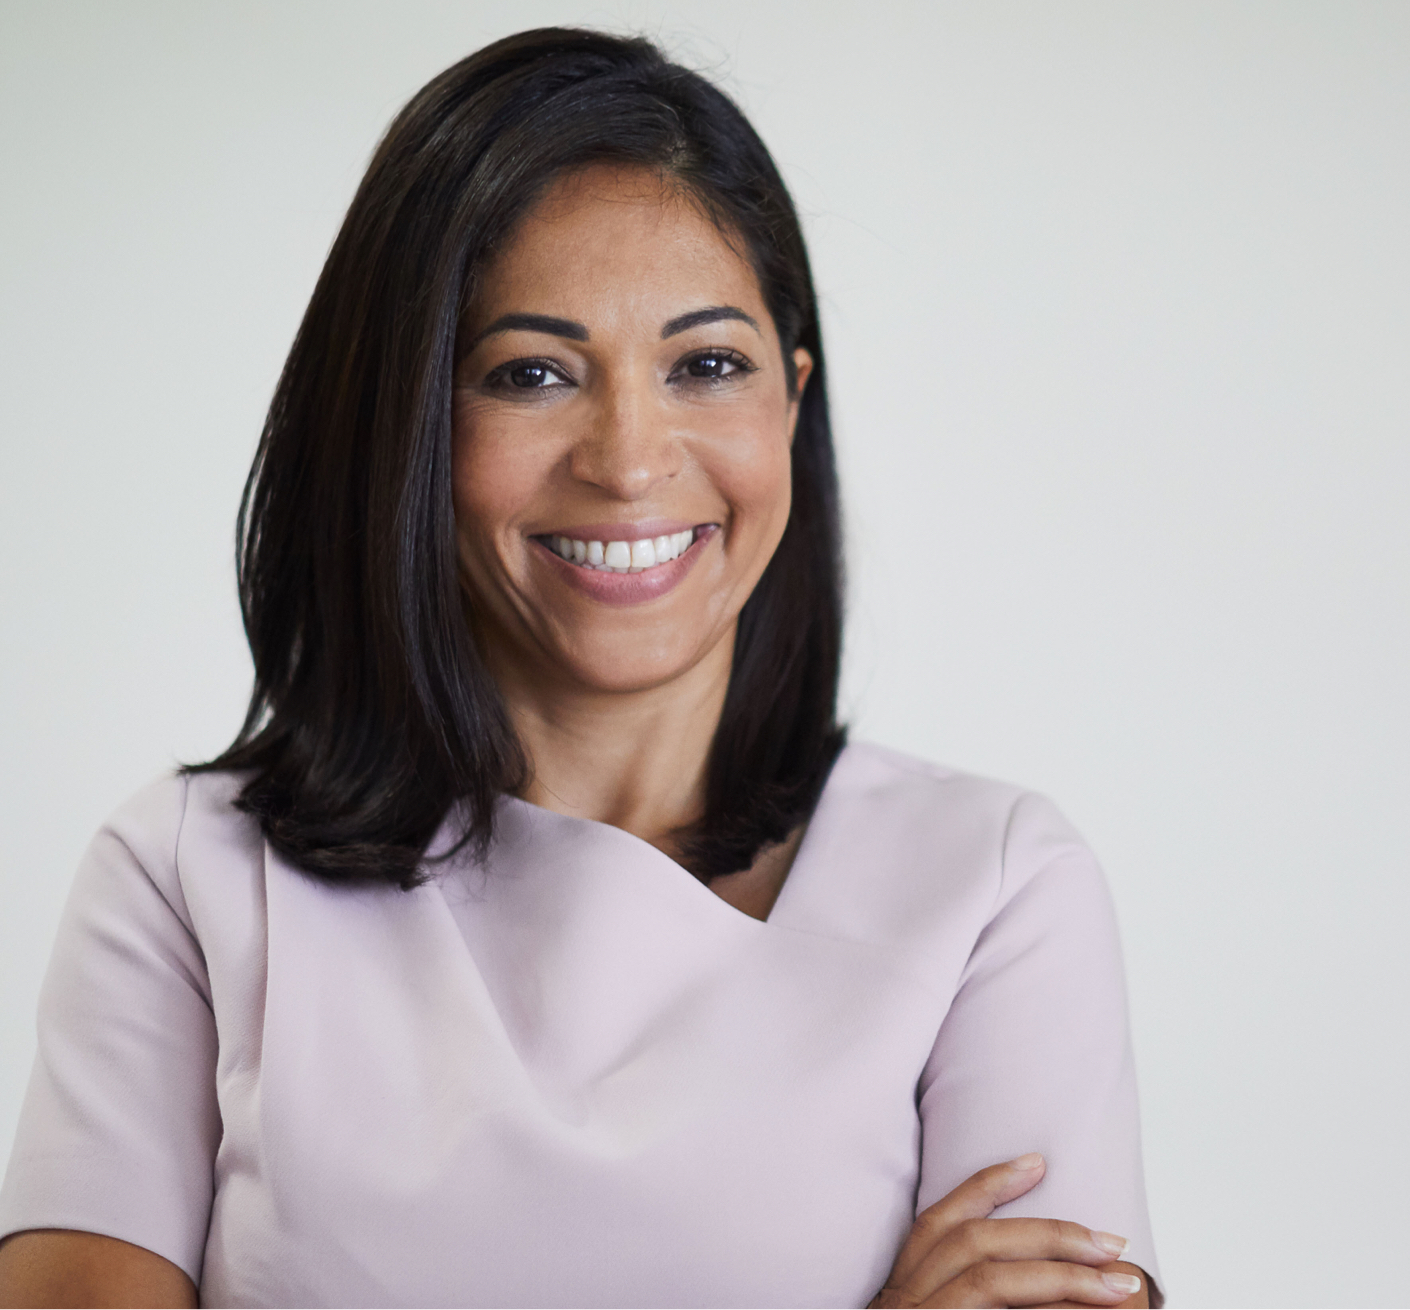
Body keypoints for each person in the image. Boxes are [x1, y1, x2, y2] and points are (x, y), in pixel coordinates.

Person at [0, 27, 1161, 1309]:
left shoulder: (995, 888)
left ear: (790, 399)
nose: (627, 456)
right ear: (410, 421)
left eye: (706, 364)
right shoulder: (187, 878)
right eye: (532, 373)